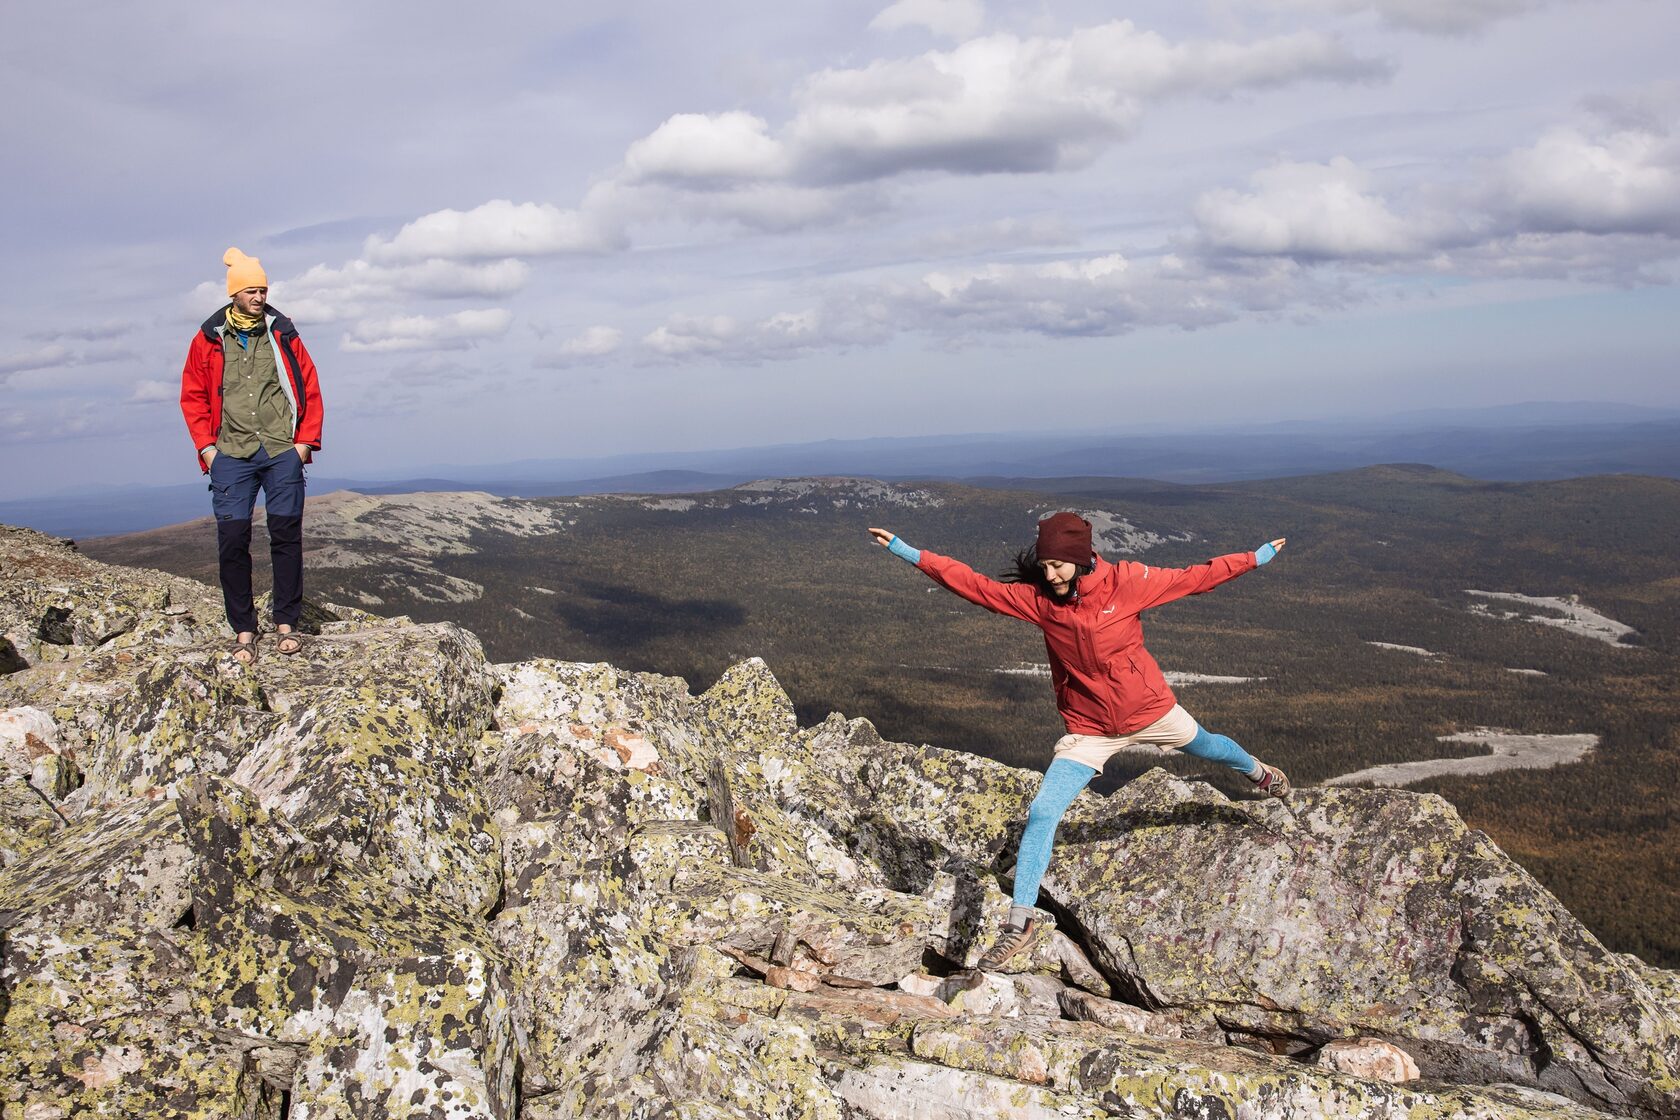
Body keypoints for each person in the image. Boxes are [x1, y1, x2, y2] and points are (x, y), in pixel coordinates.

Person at [867, 512, 1289, 972]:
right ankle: (1019, 924)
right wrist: (908, 552)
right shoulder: (1042, 602)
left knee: (1209, 746)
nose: (1050, 575)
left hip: (1149, 711)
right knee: (1043, 812)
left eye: (1058, 566)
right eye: (1044, 566)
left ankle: (1260, 773)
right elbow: (975, 586)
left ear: (1082, 559)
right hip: (1089, 728)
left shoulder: (1127, 582)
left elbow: (1196, 577)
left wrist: (1255, 558)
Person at [179, 248, 323, 663]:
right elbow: (192, 396)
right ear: (234, 294)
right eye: (251, 290)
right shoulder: (208, 339)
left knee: (285, 536)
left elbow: (309, 386)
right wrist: (207, 450)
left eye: (262, 289)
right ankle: (244, 629)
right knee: (232, 541)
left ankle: (286, 624)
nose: (259, 297)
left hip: (281, 450)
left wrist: (304, 444)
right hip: (231, 454)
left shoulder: (282, 334)